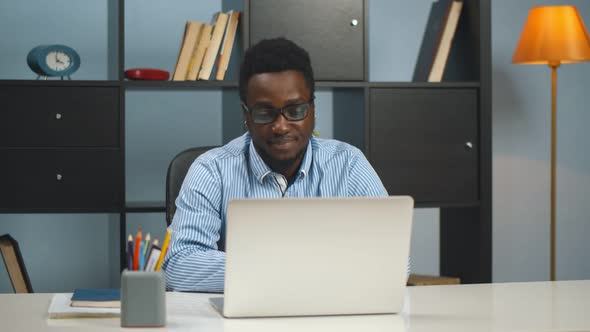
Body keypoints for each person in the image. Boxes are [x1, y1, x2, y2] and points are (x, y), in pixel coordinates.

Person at [163, 37, 388, 292]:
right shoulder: (211, 170)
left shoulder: (349, 165)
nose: (280, 126)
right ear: (246, 116)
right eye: (264, 113)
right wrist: (288, 270)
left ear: (313, 109)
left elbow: (393, 259)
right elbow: (179, 265)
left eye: (295, 110)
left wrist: (264, 271)